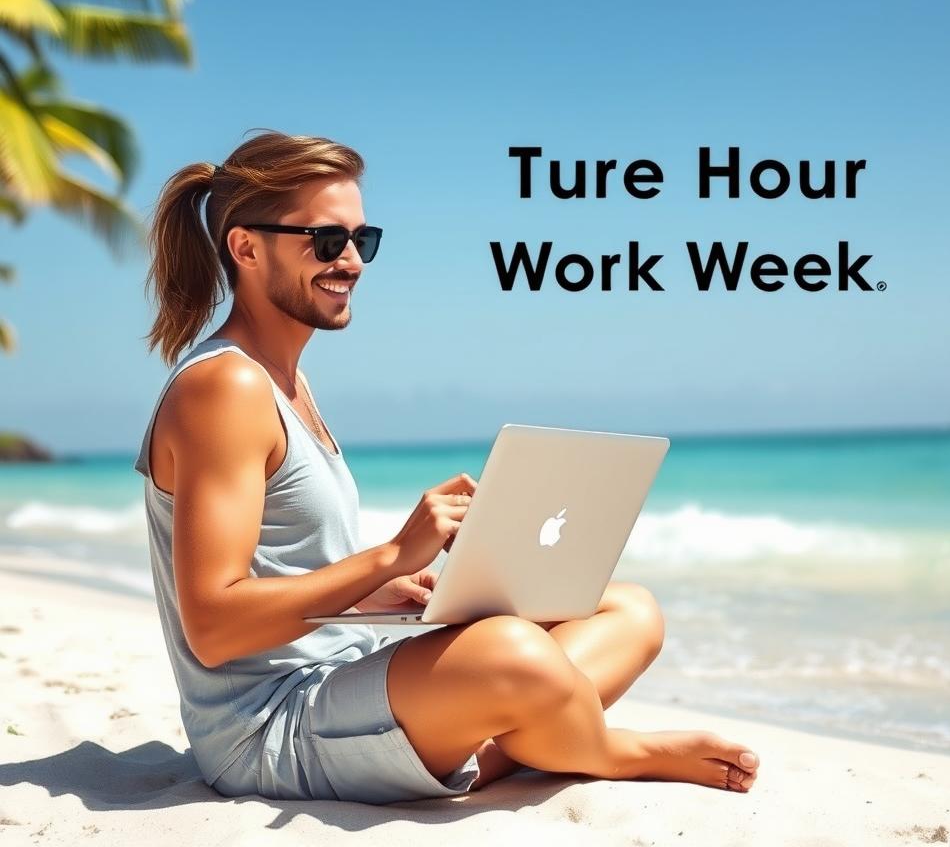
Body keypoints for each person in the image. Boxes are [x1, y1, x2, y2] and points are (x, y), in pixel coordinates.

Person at [132, 128, 761, 805]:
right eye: (326, 240)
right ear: (246, 247)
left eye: (361, 241)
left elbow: (281, 574)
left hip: (344, 675)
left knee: (628, 609)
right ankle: (609, 749)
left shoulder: (288, 383)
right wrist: (390, 558)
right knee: (512, 652)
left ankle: (509, 735)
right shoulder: (225, 389)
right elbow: (215, 623)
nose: (352, 261)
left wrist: (380, 596)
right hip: (268, 730)